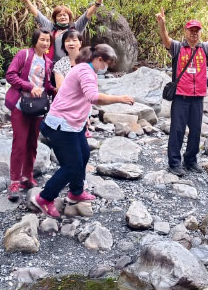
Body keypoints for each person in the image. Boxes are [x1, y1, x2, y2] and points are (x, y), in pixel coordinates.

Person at [31, 45, 134, 218]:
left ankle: (75, 192)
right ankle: (44, 198)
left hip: (73, 125)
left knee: (84, 154)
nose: (106, 68)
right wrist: (120, 98)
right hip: (62, 125)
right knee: (71, 166)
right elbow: (93, 97)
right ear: (99, 59)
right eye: (106, 64)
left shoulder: (86, 69)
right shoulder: (85, 71)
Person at [157, 10, 208, 174]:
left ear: (200, 32)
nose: (194, 34)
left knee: (195, 131)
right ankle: (174, 163)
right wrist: (162, 24)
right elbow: (165, 39)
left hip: (197, 97)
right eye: (191, 30)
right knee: (177, 130)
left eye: (197, 31)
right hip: (181, 96)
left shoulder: (205, 48)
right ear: (185, 31)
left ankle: (190, 160)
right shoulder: (177, 47)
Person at [4, 29, 56, 201]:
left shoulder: (48, 62)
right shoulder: (24, 55)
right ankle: (14, 182)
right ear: (35, 40)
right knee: (19, 144)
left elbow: (46, 85)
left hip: (37, 107)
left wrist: (56, 90)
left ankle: (27, 177)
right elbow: (10, 75)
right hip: (20, 104)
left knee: (33, 142)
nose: (45, 43)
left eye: (48, 41)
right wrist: (28, 86)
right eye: (42, 40)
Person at [21, 0, 104, 61]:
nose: (62, 17)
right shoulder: (51, 27)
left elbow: (87, 15)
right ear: (55, 18)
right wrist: (26, 0)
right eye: (59, 15)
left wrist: (97, 3)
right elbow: (38, 15)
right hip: (52, 64)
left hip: (72, 63)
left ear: (69, 17)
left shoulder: (76, 27)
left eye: (65, 15)